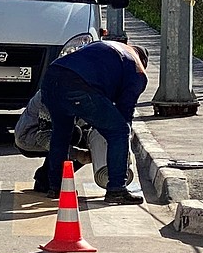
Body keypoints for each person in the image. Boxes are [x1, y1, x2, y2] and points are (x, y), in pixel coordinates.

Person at [40, 38, 150, 205]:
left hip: (51, 78)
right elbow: (124, 113)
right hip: (77, 84)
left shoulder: (107, 47)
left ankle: (55, 186)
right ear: (144, 60)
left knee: (61, 133)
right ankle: (117, 189)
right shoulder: (137, 69)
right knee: (120, 131)